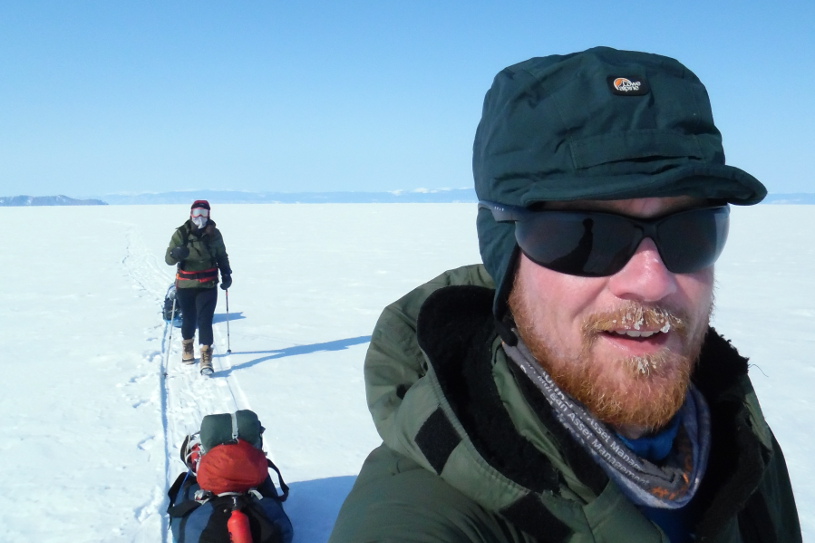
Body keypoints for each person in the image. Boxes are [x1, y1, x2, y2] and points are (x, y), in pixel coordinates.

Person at [328, 47, 801, 542]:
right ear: (505, 257)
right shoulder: (426, 509)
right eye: (588, 234)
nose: (651, 280)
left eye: (691, 230)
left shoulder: (738, 441)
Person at [165, 200, 232, 374]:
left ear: (209, 214)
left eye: (203, 213)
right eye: (197, 213)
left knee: (205, 319)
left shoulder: (214, 234)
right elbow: (168, 259)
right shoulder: (182, 233)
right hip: (186, 284)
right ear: (191, 214)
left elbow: (221, 255)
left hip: (208, 283)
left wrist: (226, 273)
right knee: (189, 318)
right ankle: (187, 347)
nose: (200, 217)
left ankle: (206, 356)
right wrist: (176, 253)